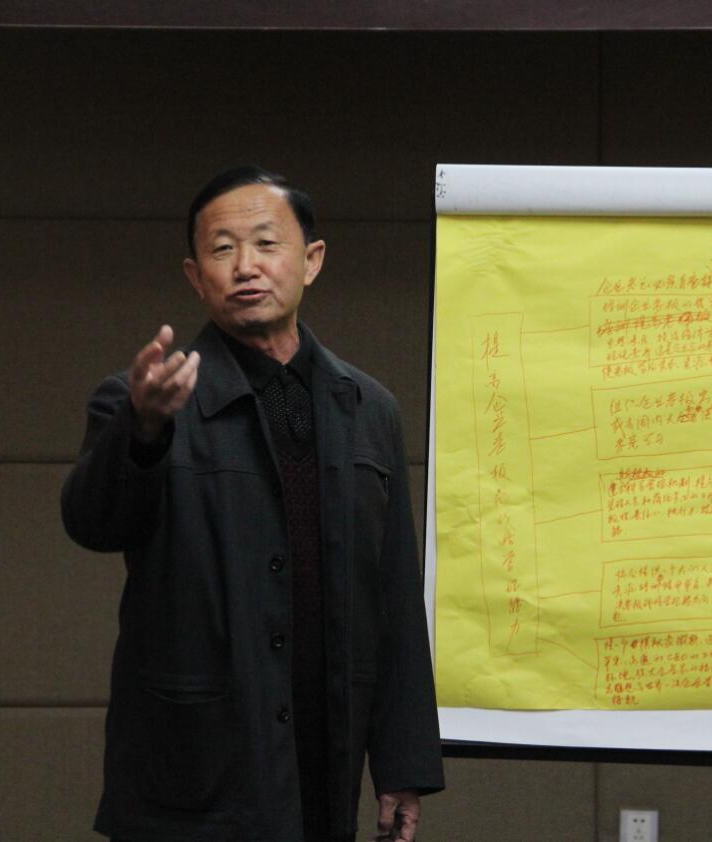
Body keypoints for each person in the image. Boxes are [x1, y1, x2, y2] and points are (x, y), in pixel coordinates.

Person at [61, 166, 444, 842]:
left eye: (266, 244)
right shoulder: (141, 400)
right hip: (193, 771)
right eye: (222, 249)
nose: (245, 266)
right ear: (195, 275)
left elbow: (392, 599)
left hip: (324, 759)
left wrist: (402, 763)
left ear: (311, 261)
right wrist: (143, 429)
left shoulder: (367, 409)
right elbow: (92, 522)